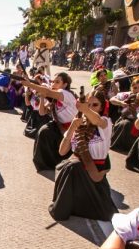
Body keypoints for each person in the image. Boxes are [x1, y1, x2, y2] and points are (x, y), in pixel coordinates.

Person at [49, 90, 117, 221]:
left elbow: (97, 120)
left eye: (95, 105)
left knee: (73, 166)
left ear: (102, 107)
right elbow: (62, 151)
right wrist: (72, 128)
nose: (91, 108)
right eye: (88, 104)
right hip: (75, 171)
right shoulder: (78, 123)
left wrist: (85, 109)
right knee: (72, 166)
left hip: (92, 174)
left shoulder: (105, 123)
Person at [24, 72, 77, 171]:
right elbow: (42, 113)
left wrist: (30, 84)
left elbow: (47, 91)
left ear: (65, 85)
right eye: (53, 82)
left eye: (57, 82)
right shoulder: (53, 98)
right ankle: (46, 164)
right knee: (43, 131)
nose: (53, 84)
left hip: (72, 128)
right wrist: (42, 97)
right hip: (59, 125)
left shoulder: (66, 94)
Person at [109, 77, 139, 153]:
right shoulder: (127, 95)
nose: (137, 90)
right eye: (135, 88)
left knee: (127, 124)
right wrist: (121, 103)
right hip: (125, 118)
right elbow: (112, 99)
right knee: (124, 123)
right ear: (131, 88)